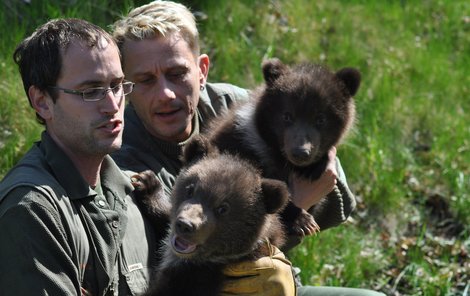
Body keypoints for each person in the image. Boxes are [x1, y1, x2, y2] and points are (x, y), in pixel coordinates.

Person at [111, 1, 385, 296]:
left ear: (202, 70)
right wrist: (295, 205)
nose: (165, 93)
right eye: (145, 80)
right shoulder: (121, 159)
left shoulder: (236, 104)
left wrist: (313, 173)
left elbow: (331, 193)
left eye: (177, 73)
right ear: (124, 86)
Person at [0, 18, 155, 295]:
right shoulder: (32, 211)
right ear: (42, 101)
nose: (112, 105)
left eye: (117, 85)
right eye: (91, 91)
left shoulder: (134, 192)